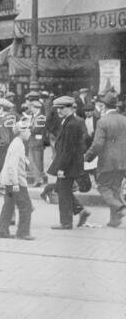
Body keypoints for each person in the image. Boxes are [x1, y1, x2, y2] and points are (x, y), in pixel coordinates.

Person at [84, 92, 126, 227]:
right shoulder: (124, 119)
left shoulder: (103, 121)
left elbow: (97, 144)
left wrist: (87, 157)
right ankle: (114, 220)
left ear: (103, 106)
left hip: (107, 162)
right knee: (115, 189)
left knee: (102, 186)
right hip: (123, 161)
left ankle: (120, 206)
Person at [48, 96, 90, 229]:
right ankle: (80, 210)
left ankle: (66, 223)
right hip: (72, 163)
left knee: (63, 192)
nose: (59, 111)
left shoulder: (71, 124)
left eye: (62, 108)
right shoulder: (72, 121)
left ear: (70, 108)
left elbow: (68, 149)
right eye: (58, 108)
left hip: (68, 164)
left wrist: (61, 168)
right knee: (61, 189)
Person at [0, 118, 34, 240]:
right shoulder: (18, 144)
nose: (30, 132)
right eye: (28, 130)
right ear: (21, 131)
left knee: (9, 206)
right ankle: (23, 233)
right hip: (15, 181)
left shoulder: (16, 142)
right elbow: (12, 166)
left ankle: (2, 231)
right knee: (26, 206)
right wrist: (16, 183)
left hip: (9, 181)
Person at [27, 100, 48, 187]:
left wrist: (28, 127)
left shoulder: (41, 117)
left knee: (37, 161)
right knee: (32, 161)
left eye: (32, 107)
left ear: (36, 108)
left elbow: (36, 130)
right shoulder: (33, 116)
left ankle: (38, 180)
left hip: (38, 142)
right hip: (32, 141)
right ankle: (39, 178)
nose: (31, 109)